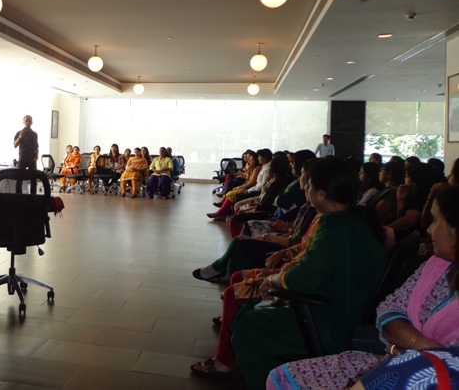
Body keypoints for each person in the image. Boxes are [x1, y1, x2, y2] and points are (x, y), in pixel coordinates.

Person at [191, 158, 387, 387]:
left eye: (309, 185)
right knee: (244, 295)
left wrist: (271, 279)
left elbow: (302, 279)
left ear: (321, 194)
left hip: (330, 320)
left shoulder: (334, 225)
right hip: (346, 310)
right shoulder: (353, 219)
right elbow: (313, 261)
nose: (305, 189)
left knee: (248, 327)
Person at [268, 184, 459, 390]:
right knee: (280, 377)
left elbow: (301, 279)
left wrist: (417, 353)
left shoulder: (336, 224)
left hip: (421, 377)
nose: (429, 229)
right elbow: (388, 308)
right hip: (394, 356)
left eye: (436, 220)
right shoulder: (437, 266)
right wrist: (422, 347)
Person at [13, 115, 39, 192]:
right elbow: (15, 145)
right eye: (26, 121)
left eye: (29, 121)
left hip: (32, 159)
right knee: (19, 180)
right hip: (23, 159)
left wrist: (37, 156)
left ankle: (33, 197)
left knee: (33, 180)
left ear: (32, 122)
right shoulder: (19, 133)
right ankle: (18, 196)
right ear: (23, 122)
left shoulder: (34, 134)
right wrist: (20, 137)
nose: (28, 122)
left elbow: (36, 147)